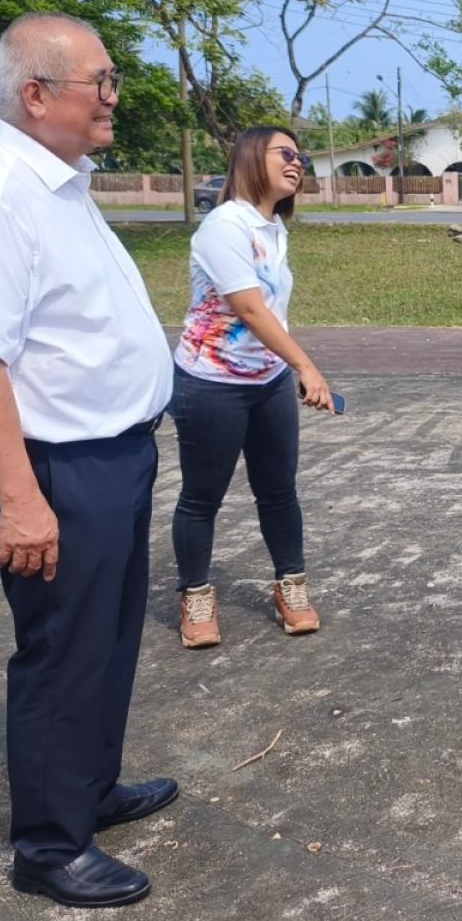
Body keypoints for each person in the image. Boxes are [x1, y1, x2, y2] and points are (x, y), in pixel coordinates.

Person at [0, 13, 177, 908]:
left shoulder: (60, 183)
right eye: (99, 84)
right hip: (53, 473)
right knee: (62, 652)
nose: (114, 99)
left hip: (112, 459)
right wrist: (22, 502)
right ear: (37, 95)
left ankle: (89, 789)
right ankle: (47, 846)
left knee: (105, 641)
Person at [169, 125, 334, 648]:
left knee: (279, 490)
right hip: (211, 382)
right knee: (202, 497)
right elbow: (248, 308)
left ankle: (292, 585)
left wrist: (286, 367)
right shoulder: (225, 225)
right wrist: (307, 366)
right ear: (249, 158)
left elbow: (271, 313)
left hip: (265, 380)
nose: (297, 162)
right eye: (284, 153)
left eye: (300, 156)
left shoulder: (272, 228)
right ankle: (195, 593)